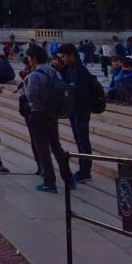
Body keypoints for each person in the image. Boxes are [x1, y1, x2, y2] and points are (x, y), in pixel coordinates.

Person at [25, 44, 74, 194]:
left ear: (33, 59)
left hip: (38, 113)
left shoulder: (35, 75)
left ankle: (49, 182)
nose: (28, 61)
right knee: (56, 145)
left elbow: (32, 96)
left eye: (29, 58)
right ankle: (68, 178)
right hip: (52, 113)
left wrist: (26, 89)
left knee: (43, 149)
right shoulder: (54, 72)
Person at [57, 43, 96, 184]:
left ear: (71, 55)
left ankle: (85, 171)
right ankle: (84, 169)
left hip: (81, 109)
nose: (62, 59)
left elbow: (79, 91)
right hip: (74, 109)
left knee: (83, 140)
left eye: (63, 56)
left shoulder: (80, 70)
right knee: (79, 140)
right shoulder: (71, 69)